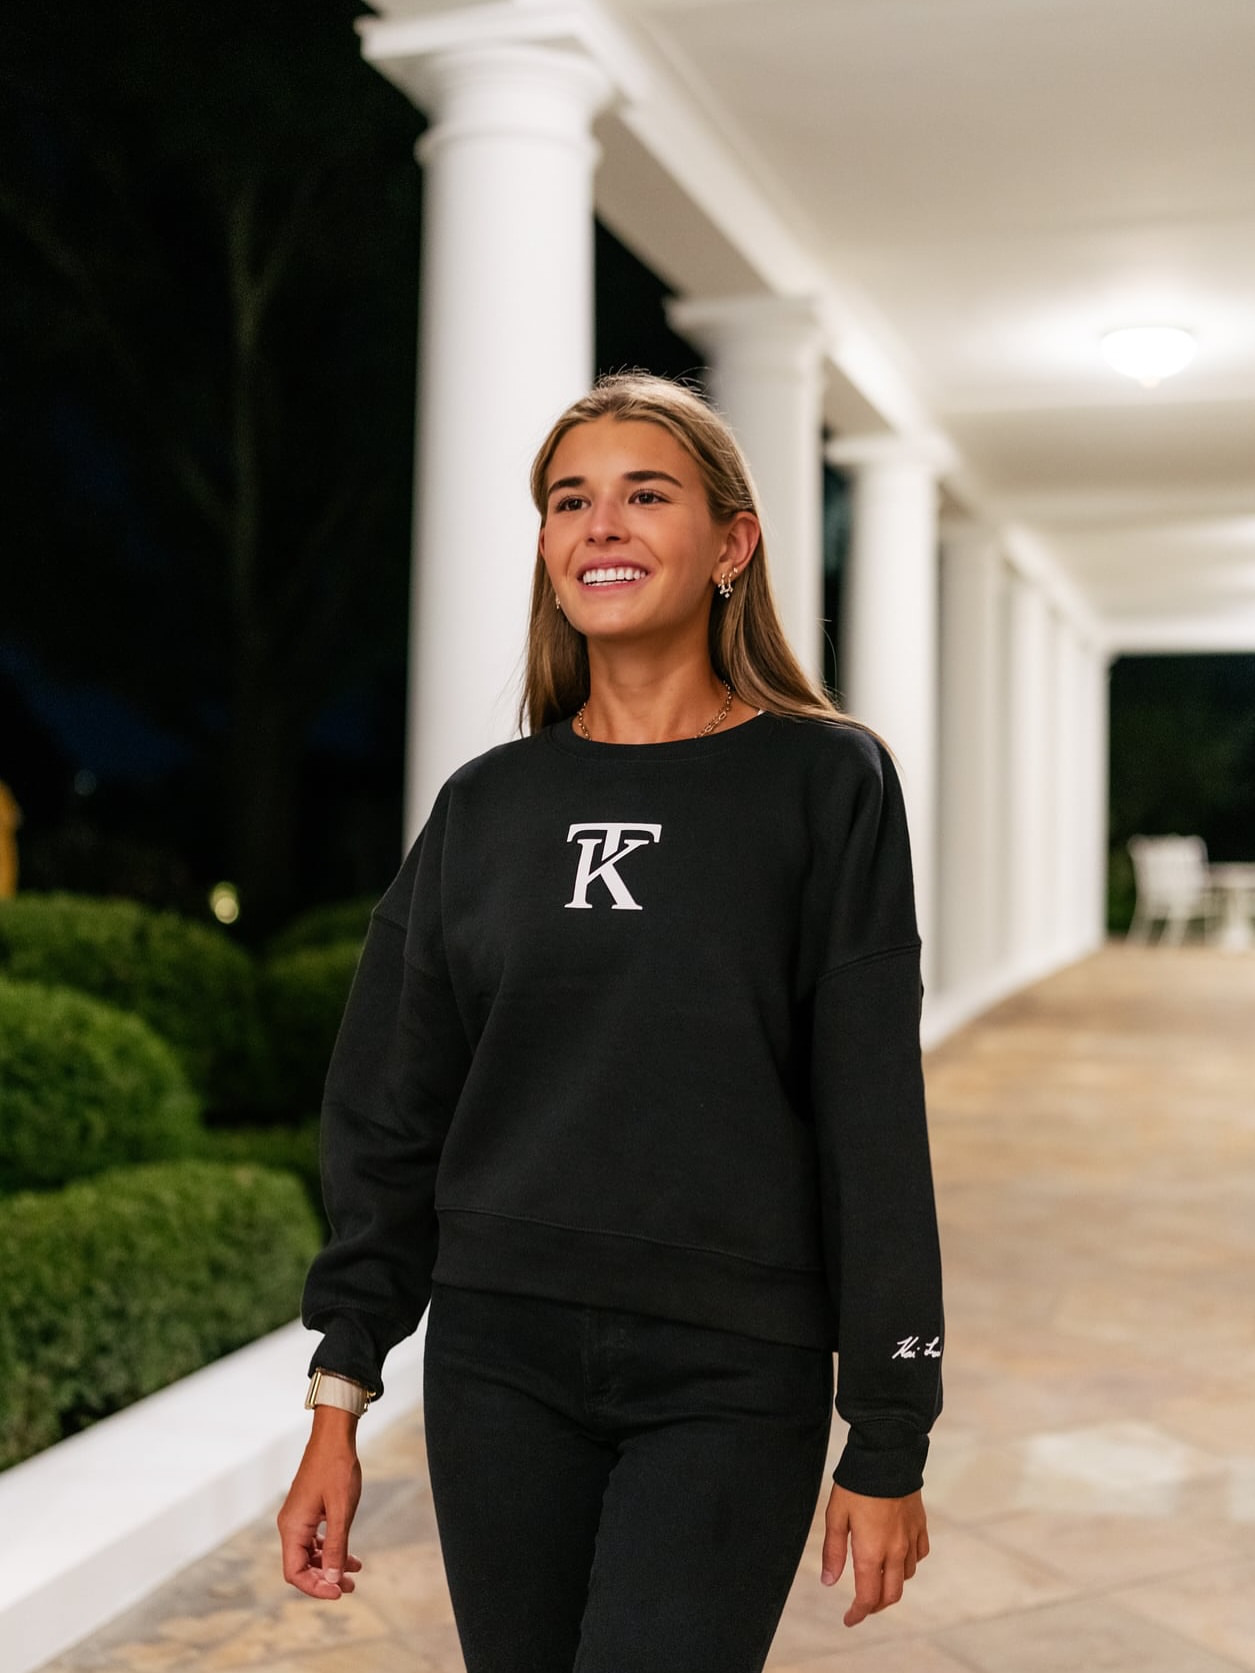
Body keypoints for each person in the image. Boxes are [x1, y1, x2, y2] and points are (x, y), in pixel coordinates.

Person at [277, 371, 944, 1673]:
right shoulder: (487, 807)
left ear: (733, 543)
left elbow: (871, 1117)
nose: (602, 526)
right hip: (499, 1361)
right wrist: (339, 1393)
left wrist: (889, 1426)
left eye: (646, 494)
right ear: (546, 546)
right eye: (571, 501)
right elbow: (392, 1108)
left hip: (731, 1369)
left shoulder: (825, 781)